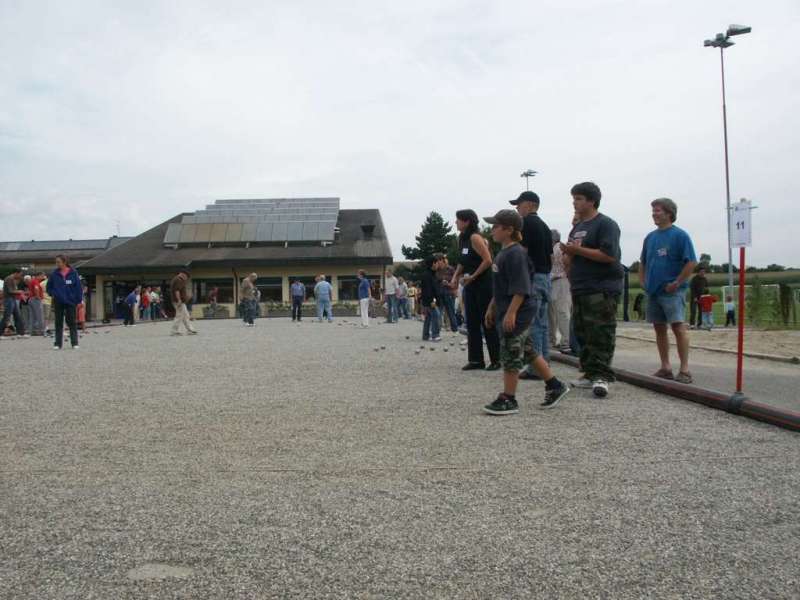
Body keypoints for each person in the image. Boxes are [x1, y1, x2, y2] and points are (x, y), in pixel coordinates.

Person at [482, 210, 570, 414]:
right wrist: (492, 307)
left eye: (496, 226)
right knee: (528, 349)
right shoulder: (503, 253)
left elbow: (521, 288)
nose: (492, 230)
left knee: (511, 349)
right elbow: (502, 286)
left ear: (509, 229)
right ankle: (554, 385)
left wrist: (512, 313)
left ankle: (509, 398)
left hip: (519, 311)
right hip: (507, 308)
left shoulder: (516, 254)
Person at [561, 182, 624, 398]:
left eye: (579, 198)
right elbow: (573, 253)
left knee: (601, 332)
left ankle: (602, 376)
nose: (574, 202)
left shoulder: (606, 224)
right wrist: (568, 255)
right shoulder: (577, 227)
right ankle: (589, 372)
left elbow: (609, 255)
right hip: (580, 286)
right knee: (582, 331)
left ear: (591, 201)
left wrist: (577, 250)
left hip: (601, 287)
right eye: (574, 198)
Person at [639, 198, 698, 384]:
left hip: (672, 291)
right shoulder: (650, 237)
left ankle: (685, 369)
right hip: (654, 291)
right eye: (653, 211)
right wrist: (643, 281)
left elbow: (691, 262)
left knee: (678, 327)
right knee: (659, 327)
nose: (654, 214)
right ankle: (665, 366)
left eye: (658, 211)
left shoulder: (680, 236)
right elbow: (643, 262)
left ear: (669, 213)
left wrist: (678, 282)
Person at [450, 209, 501, 371]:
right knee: (471, 321)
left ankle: (496, 359)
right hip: (469, 284)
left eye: (458, 220)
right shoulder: (462, 239)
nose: (456, 223)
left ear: (467, 222)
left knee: (487, 321)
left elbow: (487, 260)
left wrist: (473, 276)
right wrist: (455, 276)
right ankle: (476, 360)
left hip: (483, 283)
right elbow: (462, 261)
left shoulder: (475, 237)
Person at [510, 191, 553, 364]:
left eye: (519, 204)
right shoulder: (544, 226)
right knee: (542, 323)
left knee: (532, 323)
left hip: (532, 277)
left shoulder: (526, 223)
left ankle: (536, 365)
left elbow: (523, 253)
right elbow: (550, 256)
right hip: (544, 276)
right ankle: (544, 360)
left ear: (529, 204)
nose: (517, 208)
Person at [46, 255, 83, 349]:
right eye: (56, 262)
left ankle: (74, 343)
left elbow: (78, 287)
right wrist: (53, 294)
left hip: (71, 301)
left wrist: (79, 300)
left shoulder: (73, 273)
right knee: (58, 322)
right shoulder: (54, 274)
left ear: (64, 262)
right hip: (58, 301)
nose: (57, 264)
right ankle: (58, 344)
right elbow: (49, 287)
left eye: (58, 262)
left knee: (72, 322)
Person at [548, 229, 572, 352]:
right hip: (557, 281)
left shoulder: (557, 248)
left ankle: (564, 342)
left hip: (559, 280)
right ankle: (561, 341)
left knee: (561, 312)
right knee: (558, 312)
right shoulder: (558, 247)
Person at [420, 255, 444, 341]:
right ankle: (435, 335)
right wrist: (432, 301)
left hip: (430, 300)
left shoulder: (432, 274)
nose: (438, 264)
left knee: (428, 318)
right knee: (436, 315)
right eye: (437, 262)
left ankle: (425, 335)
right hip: (430, 301)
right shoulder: (427, 275)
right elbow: (427, 290)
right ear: (433, 264)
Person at [0, 268, 27, 339]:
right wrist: (19, 291)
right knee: (6, 316)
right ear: (16, 273)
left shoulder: (12, 279)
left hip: (12, 299)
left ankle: (21, 333)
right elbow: (10, 291)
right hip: (8, 299)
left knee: (18, 316)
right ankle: (0, 333)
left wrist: (18, 291)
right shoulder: (9, 279)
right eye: (20, 274)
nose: (20, 276)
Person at [170, 269, 197, 336]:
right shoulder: (178, 280)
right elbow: (177, 291)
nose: (186, 279)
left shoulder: (177, 279)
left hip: (181, 301)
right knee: (179, 316)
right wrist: (179, 300)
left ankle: (190, 329)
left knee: (186, 316)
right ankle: (174, 331)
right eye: (186, 277)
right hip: (179, 301)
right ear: (183, 274)